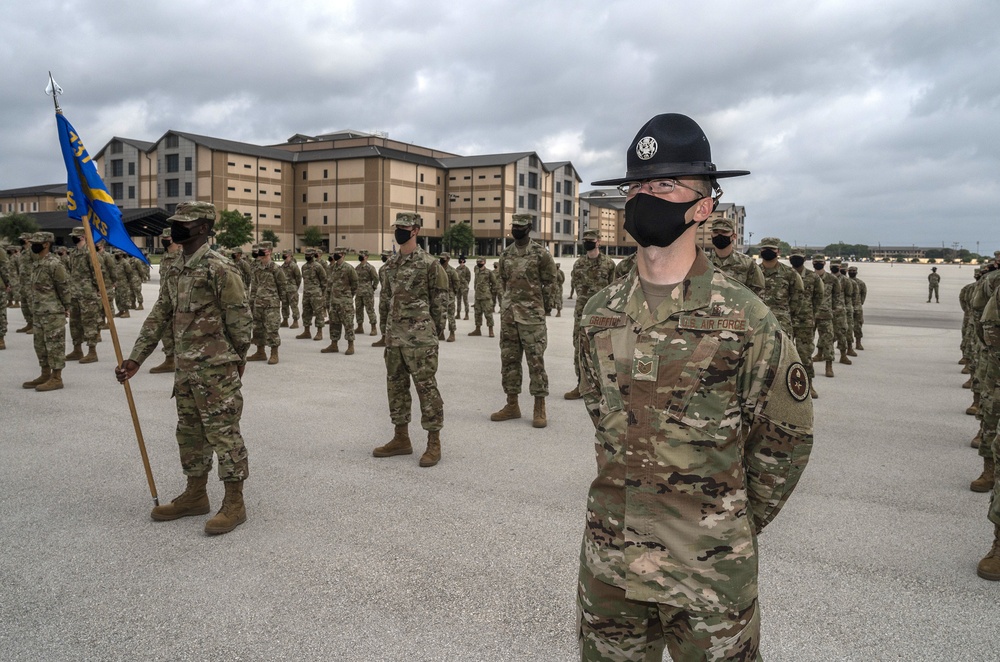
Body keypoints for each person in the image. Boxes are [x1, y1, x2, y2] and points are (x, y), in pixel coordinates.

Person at [577, 113, 813, 660]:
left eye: (664, 184)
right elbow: (600, 412)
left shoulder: (746, 318)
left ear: (703, 206)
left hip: (708, 577)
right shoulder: (597, 315)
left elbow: (786, 438)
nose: (644, 196)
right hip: (611, 567)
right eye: (636, 185)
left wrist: (726, 522)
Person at [115, 201, 252, 535]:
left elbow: (241, 322)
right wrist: (136, 358)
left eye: (184, 223)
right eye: (175, 222)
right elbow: (160, 313)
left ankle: (234, 502)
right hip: (186, 370)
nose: (177, 228)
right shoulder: (176, 265)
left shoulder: (220, 268)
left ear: (203, 228)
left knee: (223, 434)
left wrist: (234, 363)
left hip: (216, 371)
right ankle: (195, 494)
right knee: (189, 433)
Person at [372, 213, 448, 467]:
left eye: (403, 228)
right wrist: (385, 333)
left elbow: (440, 303)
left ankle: (433, 442)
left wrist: (433, 334)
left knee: (426, 389)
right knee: (396, 388)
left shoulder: (429, 264)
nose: (399, 232)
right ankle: (401, 438)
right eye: (397, 228)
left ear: (415, 230)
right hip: (394, 339)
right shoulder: (389, 266)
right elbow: (385, 302)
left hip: (421, 341)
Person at [490, 214, 556, 428]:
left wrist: (541, 308)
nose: (517, 230)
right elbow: (501, 280)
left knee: (535, 362)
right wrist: (505, 301)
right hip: (509, 316)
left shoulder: (540, 254)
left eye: (521, 226)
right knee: (509, 360)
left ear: (529, 227)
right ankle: (512, 404)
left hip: (532, 317)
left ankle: (539, 406)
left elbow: (550, 281)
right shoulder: (506, 253)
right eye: (514, 226)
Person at [565, 229, 616, 400]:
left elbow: (614, 290)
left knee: (603, 350)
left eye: (591, 240)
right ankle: (582, 386)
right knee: (579, 348)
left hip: (602, 313)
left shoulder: (608, 264)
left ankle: (604, 389)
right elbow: (576, 286)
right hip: (582, 312)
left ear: (598, 241)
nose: (587, 242)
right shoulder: (578, 264)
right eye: (585, 240)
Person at [21, 232, 71, 392]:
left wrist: (67, 306)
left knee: (54, 345)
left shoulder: (55, 264)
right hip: (39, 311)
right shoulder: (37, 263)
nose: (32, 245)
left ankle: (57, 378)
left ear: (46, 244)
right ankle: (45, 374)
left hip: (52, 313)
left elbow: (64, 287)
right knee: (40, 345)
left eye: (37, 243)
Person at [246, 241, 288, 365]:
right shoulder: (257, 269)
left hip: (271, 305)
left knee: (272, 329)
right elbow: (254, 287)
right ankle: (260, 352)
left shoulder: (276, 269)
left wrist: (281, 303)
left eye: (262, 250)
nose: (259, 253)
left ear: (269, 252)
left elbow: (282, 287)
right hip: (258, 304)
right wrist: (251, 302)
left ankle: (274, 353)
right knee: (258, 328)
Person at [65, 226, 102, 365]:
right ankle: (77, 349)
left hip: (87, 293)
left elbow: (97, 272)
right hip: (74, 292)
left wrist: (97, 289)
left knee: (89, 321)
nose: (73, 238)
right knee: (74, 322)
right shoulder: (73, 253)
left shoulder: (90, 252)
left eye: (76, 236)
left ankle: (92, 351)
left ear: (83, 237)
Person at [790, 251, 822, 398]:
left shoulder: (813, 277)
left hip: (805, 322)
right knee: (784, 356)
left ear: (804, 259)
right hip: (786, 321)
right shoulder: (786, 274)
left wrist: (811, 314)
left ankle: (808, 384)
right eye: (793, 256)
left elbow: (818, 297)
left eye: (799, 256)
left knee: (805, 355)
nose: (796, 258)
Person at [757, 237, 804, 338]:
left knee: (783, 352)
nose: (768, 251)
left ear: (778, 251)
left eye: (772, 249)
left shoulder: (790, 273)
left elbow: (798, 298)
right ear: (760, 251)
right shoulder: (753, 272)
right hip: (757, 322)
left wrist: (785, 313)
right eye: (765, 249)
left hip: (782, 324)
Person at [707, 217, 765, 296]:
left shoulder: (747, 263)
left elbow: (758, 295)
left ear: (734, 236)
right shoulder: (703, 261)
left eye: (724, 232)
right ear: (711, 235)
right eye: (716, 232)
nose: (719, 235)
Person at [322, 246, 358, 355]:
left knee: (348, 324)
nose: (335, 255)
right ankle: (334, 345)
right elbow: (329, 285)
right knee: (334, 324)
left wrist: (348, 296)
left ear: (343, 254)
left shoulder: (348, 268)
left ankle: (350, 345)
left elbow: (355, 284)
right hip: (334, 301)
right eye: (334, 253)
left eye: (338, 253)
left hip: (345, 302)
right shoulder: (331, 268)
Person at [812, 255, 841, 378]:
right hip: (810, 314)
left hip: (826, 314)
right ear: (813, 263)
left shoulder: (832, 279)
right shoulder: (809, 277)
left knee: (828, 340)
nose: (818, 263)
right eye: (816, 262)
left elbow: (837, 296)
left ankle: (829, 366)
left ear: (824, 263)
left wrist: (833, 310)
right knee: (806, 343)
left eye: (820, 262)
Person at [296, 248, 328, 342]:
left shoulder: (318, 266)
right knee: (306, 312)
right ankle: (307, 331)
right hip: (306, 293)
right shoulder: (304, 267)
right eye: (305, 255)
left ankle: (319, 332)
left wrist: (321, 293)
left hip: (316, 294)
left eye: (309, 255)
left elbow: (324, 280)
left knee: (318, 313)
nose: (307, 256)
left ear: (313, 255)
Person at [468, 257, 496, 337]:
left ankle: (491, 330)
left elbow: (494, 284)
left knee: (488, 314)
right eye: (477, 261)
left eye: (481, 261)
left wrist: (490, 293)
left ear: (484, 262)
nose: (479, 263)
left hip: (486, 297)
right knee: (477, 314)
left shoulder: (489, 272)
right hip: (477, 296)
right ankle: (477, 329)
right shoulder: (476, 270)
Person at [354, 250, 379, 336]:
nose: (360, 257)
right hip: (358, 292)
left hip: (367, 292)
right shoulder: (357, 268)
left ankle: (373, 328)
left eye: (362, 255)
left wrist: (373, 288)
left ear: (366, 257)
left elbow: (376, 279)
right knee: (358, 309)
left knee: (370, 310)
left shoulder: (370, 267)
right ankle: (360, 327)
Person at [438, 252, 459, 342]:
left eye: (444, 258)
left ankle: (452, 333)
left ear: (448, 259)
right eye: (441, 258)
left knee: (450, 315)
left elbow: (456, 284)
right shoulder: (437, 269)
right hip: (439, 295)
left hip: (449, 295)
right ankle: (441, 332)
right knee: (440, 315)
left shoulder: (452, 271)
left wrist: (453, 293)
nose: (442, 260)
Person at [280, 250, 302, 329]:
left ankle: (295, 321)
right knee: (284, 305)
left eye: (285, 254)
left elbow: (298, 277)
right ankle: (285, 320)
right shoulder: (282, 266)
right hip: (284, 289)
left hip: (292, 289)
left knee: (294, 305)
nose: (284, 256)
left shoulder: (293, 266)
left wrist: (295, 287)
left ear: (290, 255)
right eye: (283, 254)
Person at [848, 265, 866, 350]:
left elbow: (863, 294)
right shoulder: (845, 281)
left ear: (856, 272)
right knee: (847, 327)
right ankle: (848, 345)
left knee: (858, 326)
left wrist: (859, 303)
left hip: (857, 307)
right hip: (847, 307)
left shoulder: (861, 283)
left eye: (853, 271)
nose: (852, 272)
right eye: (850, 271)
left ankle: (858, 343)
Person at [455, 256, 472, 320]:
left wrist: (465, 284)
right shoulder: (457, 268)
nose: (461, 261)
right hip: (458, 287)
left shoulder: (466, 269)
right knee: (458, 301)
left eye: (461, 260)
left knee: (465, 301)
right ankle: (458, 314)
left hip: (464, 287)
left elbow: (468, 278)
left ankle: (466, 314)